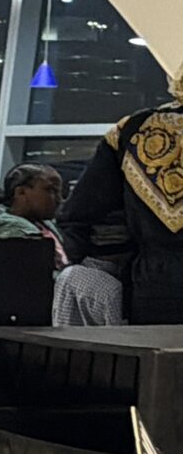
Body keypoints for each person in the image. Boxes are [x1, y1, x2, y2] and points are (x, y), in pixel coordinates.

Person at [61, 70, 183, 322]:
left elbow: (81, 212)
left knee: (156, 348)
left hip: (155, 286)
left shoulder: (132, 130)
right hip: (153, 277)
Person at [0, 162, 68, 267]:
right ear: (21, 192)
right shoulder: (12, 231)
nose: (59, 199)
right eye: (50, 190)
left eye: (59, 191)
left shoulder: (43, 224)